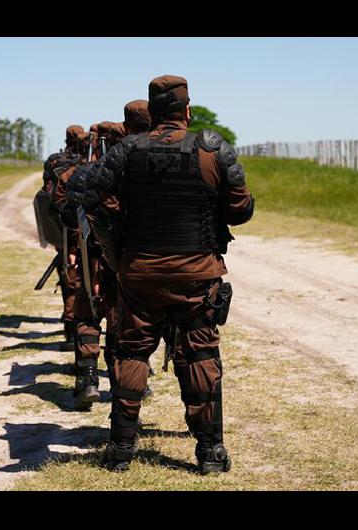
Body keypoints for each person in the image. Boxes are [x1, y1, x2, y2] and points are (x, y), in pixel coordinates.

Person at [87, 75, 254, 473]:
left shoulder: (125, 151)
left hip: (139, 274)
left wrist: (122, 224)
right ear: (187, 110)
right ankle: (210, 452)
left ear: (154, 111)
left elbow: (93, 197)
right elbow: (241, 211)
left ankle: (121, 451)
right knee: (200, 356)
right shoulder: (213, 151)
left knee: (130, 353)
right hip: (196, 276)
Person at [63, 101, 153, 410]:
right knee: (121, 325)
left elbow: (66, 215)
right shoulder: (146, 168)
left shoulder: (86, 173)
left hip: (94, 257)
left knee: (88, 314)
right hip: (131, 260)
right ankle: (128, 388)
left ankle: (88, 377)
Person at [45, 125, 88, 350]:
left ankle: (72, 333)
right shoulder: (95, 163)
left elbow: (49, 196)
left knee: (70, 280)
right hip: (87, 234)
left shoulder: (56, 163)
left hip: (67, 231)